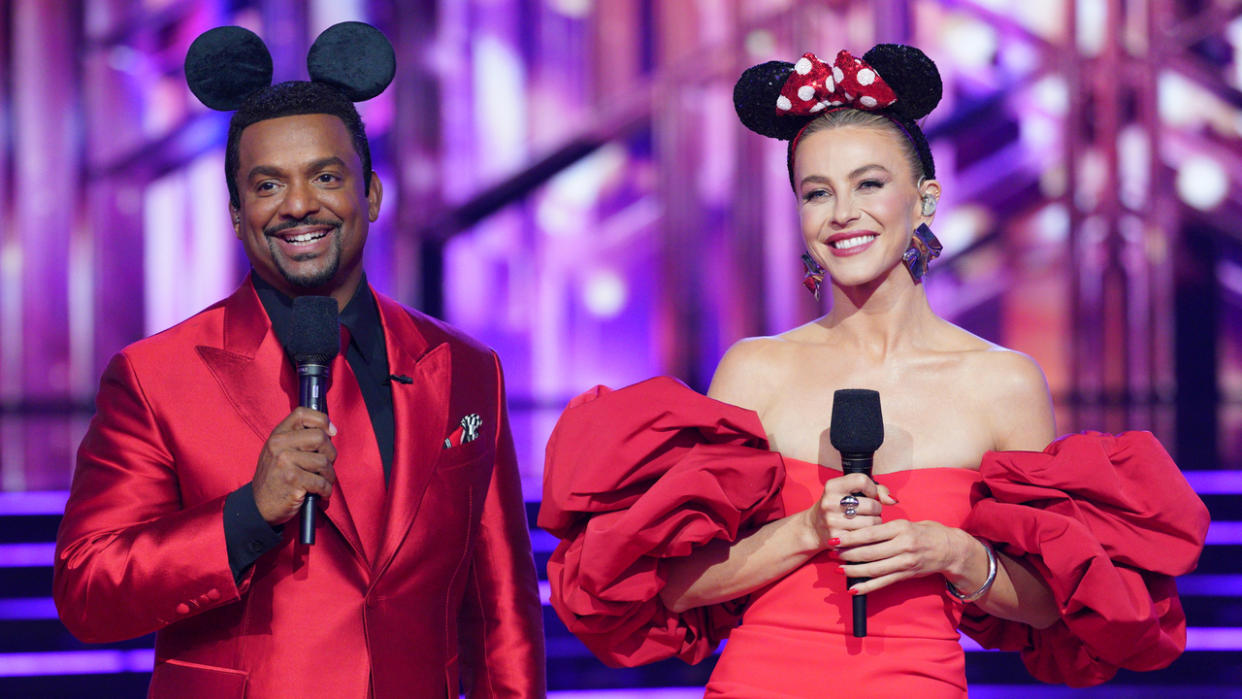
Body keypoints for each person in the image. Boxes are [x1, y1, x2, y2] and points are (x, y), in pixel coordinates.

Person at [539, 45, 1208, 697]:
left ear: (925, 200)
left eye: (870, 183)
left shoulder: (1003, 382)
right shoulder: (755, 368)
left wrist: (951, 552)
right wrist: (805, 531)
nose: (842, 214)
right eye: (816, 192)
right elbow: (679, 584)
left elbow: (1044, 605)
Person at [53, 23, 545, 699]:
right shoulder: (153, 375)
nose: (298, 204)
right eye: (267, 185)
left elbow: (499, 613)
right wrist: (247, 514)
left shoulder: (465, 367)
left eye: (325, 175)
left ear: (370, 194)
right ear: (235, 212)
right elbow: (87, 589)